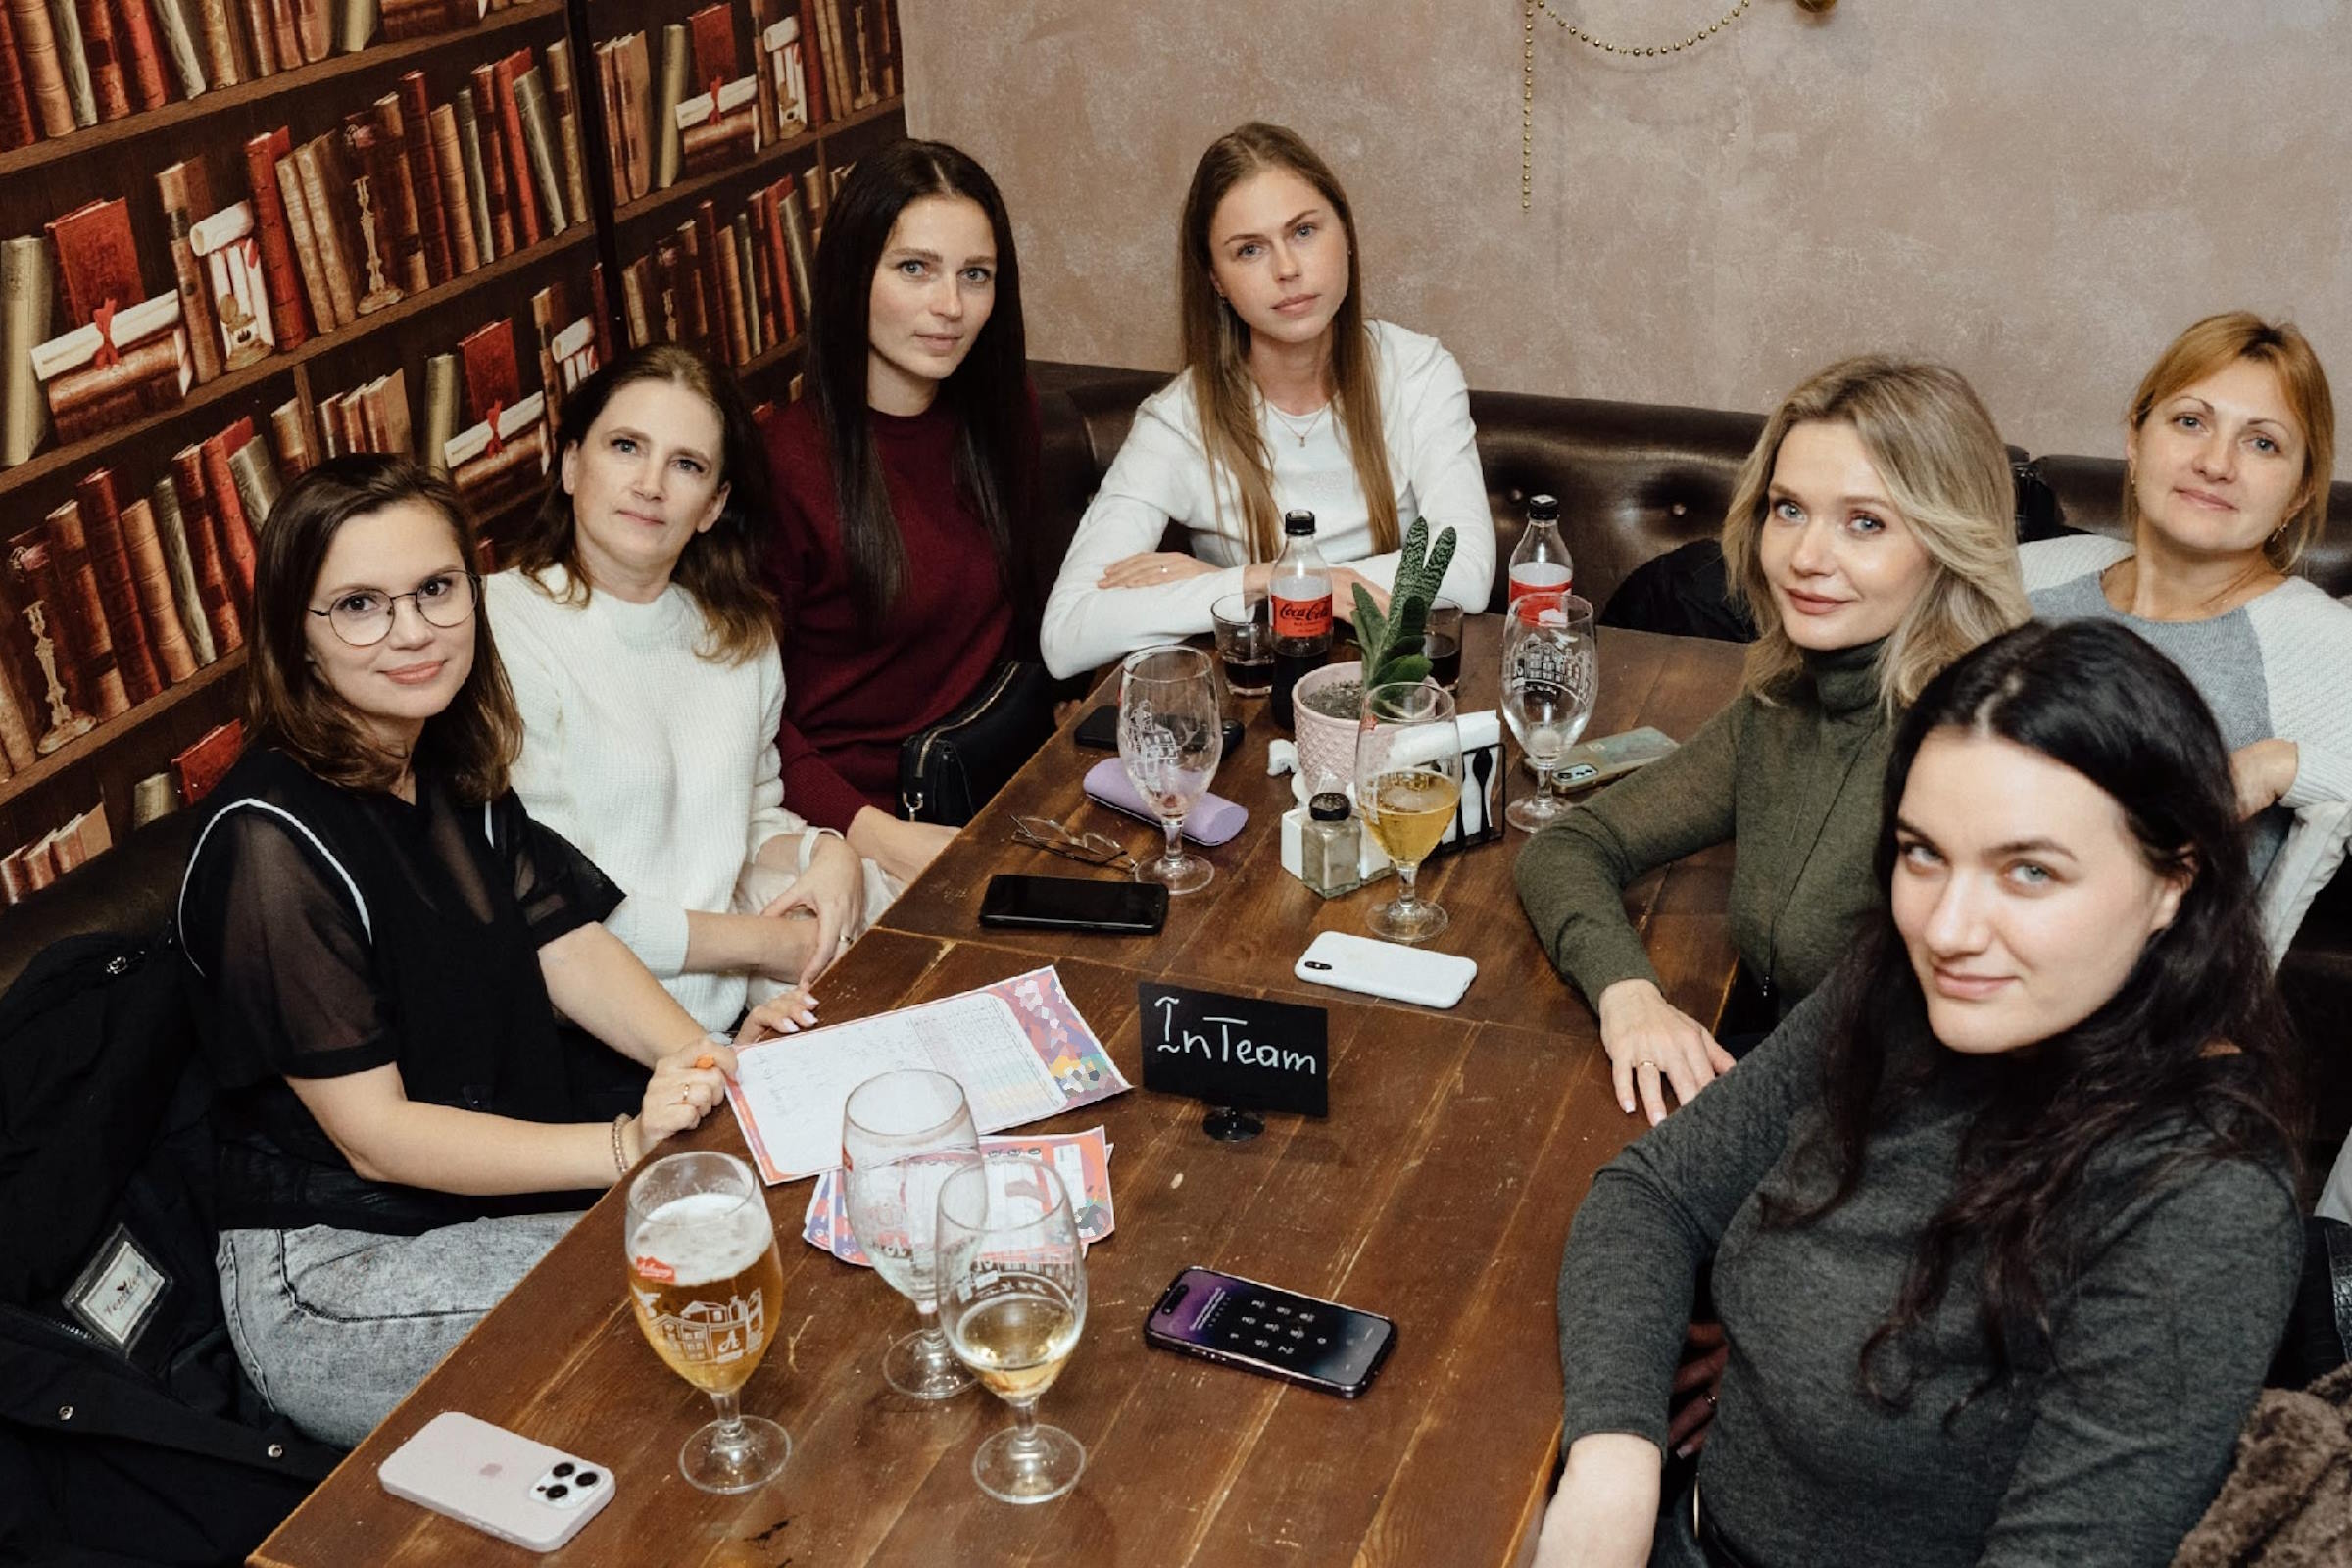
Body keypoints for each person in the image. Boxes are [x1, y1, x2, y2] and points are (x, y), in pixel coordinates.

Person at [1539, 619, 2304, 1568]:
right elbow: (1655, 1194)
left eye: (2030, 871)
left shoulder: (2205, 1199)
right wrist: (1615, 1459)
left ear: (2173, 880)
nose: (1947, 928)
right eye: (1923, 852)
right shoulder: (1895, 989)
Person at [178, 458, 803, 1447]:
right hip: (341, 1269)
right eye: (360, 605)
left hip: (479, 1202)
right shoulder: (268, 842)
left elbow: (567, 944)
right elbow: (375, 1136)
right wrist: (626, 1147)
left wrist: (707, 1061)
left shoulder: (439, 759)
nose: (412, 630)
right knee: (693, 1292)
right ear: (297, 635)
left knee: (756, 1229)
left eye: (436, 588)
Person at [1516, 356, 2029, 1124]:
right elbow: (1570, 844)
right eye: (1789, 509)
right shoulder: (1788, 699)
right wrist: (1628, 994)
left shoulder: (1984, 750)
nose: (1806, 558)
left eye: (1865, 522)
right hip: (1776, 1089)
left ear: (1948, 540)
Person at [489, 345, 880, 1033]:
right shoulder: (506, 622)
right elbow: (565, 909)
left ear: (713, 506)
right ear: (571, 465)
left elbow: (748, 819)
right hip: (586, 1038)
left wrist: (828, 852)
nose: (650, 484)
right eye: (626, 447)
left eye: (687, 465)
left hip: (733, 1024)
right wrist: (777, 946)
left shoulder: (739, 635)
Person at [1037, 121, 1495, 679]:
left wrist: (1249, 584)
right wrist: (1252, 582)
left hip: (1397, 685)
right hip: (1261, 696)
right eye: (1250, 249)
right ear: (1216, 279)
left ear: (1345, 234)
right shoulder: (1177, 422)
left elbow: (1467, 571)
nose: (1287, 269)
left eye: (1304, 231)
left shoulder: (1419, 373)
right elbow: (1066, 636)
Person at [2023, 311, 2352, 957]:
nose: (2215, 464)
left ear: (2299, 493)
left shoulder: (2323, 643)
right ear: (2135, 441)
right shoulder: (2023, 576)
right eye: (2190, 422)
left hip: (2149, 1014)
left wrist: (2286, 766)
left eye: (2263, 443)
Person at [761, 139, 1044, 889]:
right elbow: (745, 721)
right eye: (915, 268)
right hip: (846, 834)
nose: (950, 306)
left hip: (993, 790)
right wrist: (883, 840)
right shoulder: (783, 466)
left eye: (975, 275)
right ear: (853, 273)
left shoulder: (1003, 417)